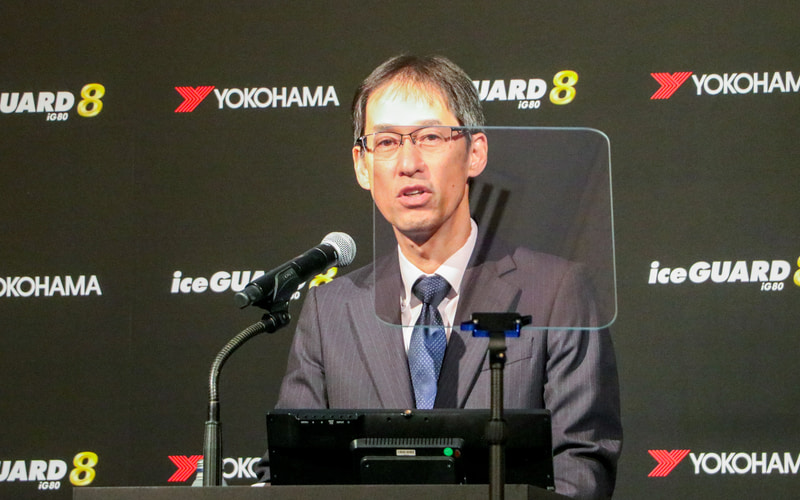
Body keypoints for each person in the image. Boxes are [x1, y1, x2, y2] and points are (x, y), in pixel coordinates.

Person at [264, 54, 622, 499]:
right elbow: (294, 470)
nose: (408, 163)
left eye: (430, 137)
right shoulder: (331, 309)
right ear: (362, 165)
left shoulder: (556, 291)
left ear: (475, 152)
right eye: (387, 141)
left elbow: (580, 466)